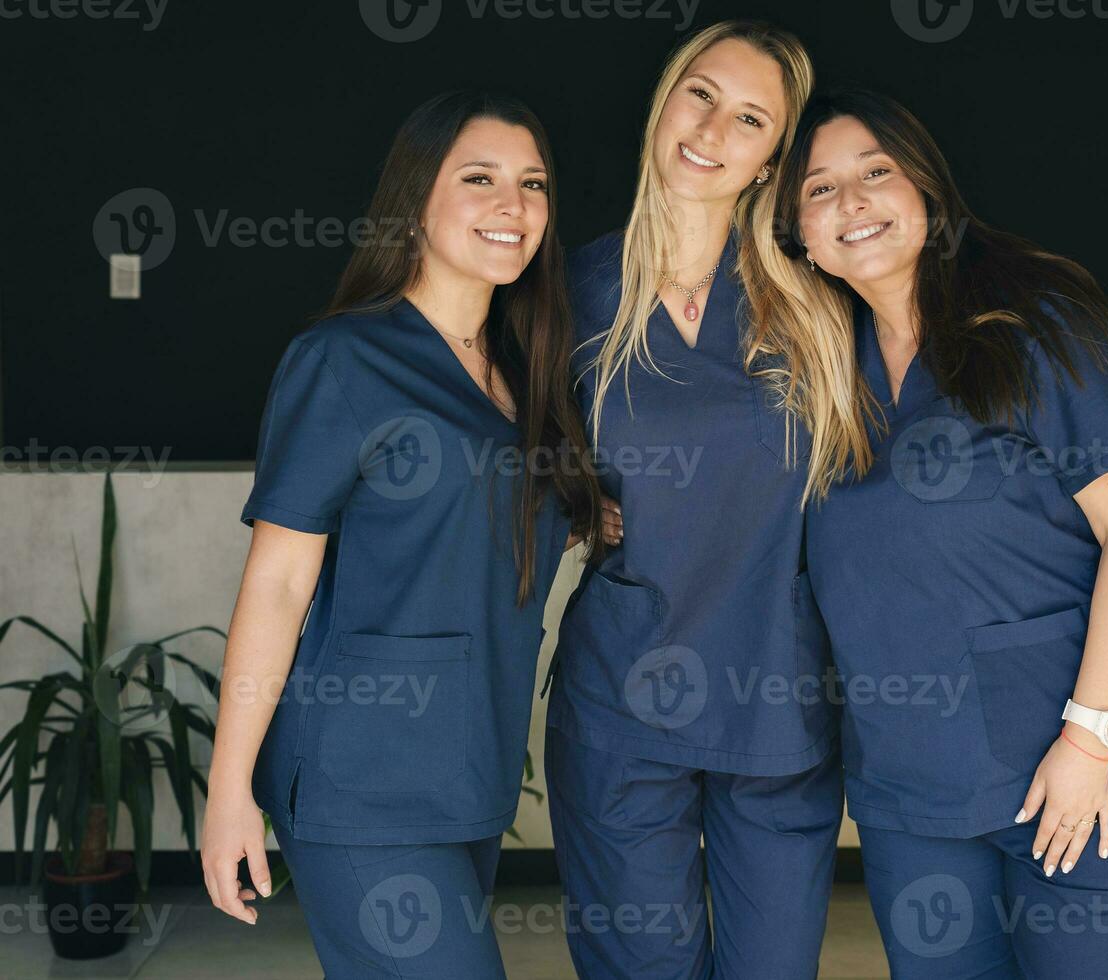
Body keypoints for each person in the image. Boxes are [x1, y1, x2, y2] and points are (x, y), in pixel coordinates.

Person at [775, 86, 1108, 979]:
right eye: (818, 189)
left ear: (926, 186)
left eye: (876, 172)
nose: (852, 202)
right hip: (911, 798)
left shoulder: (1040, 322)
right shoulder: (815, 369)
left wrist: (1088, 742)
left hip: (1078, 778)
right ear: (795, 233)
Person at [201, 90, 602, 979]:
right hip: (361, 779)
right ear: (416, 199)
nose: (515, 206)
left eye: (533, 184)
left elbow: (493, 525)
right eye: (481, 179)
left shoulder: (521, 370)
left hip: (471, 770)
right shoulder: (343, 360)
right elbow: (276, 585)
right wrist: (228, 791)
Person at [542, 21, 870, 980]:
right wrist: (562, 498)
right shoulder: (571, 292)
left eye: (750, 119)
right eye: (700, 93)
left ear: (773, 159)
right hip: (621, 699)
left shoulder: (817, 306)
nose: (712, 129)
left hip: (778, 699)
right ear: (664, 98)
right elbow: (500, 452)